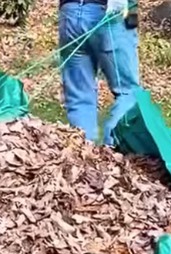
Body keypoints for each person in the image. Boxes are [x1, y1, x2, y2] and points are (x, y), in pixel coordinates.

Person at [58, 0, 140, 146]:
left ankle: (83, 156)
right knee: (127, 92)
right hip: (110, 12)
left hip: (70, 13)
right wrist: (131, 16)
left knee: (79, 96)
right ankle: (111, 153)